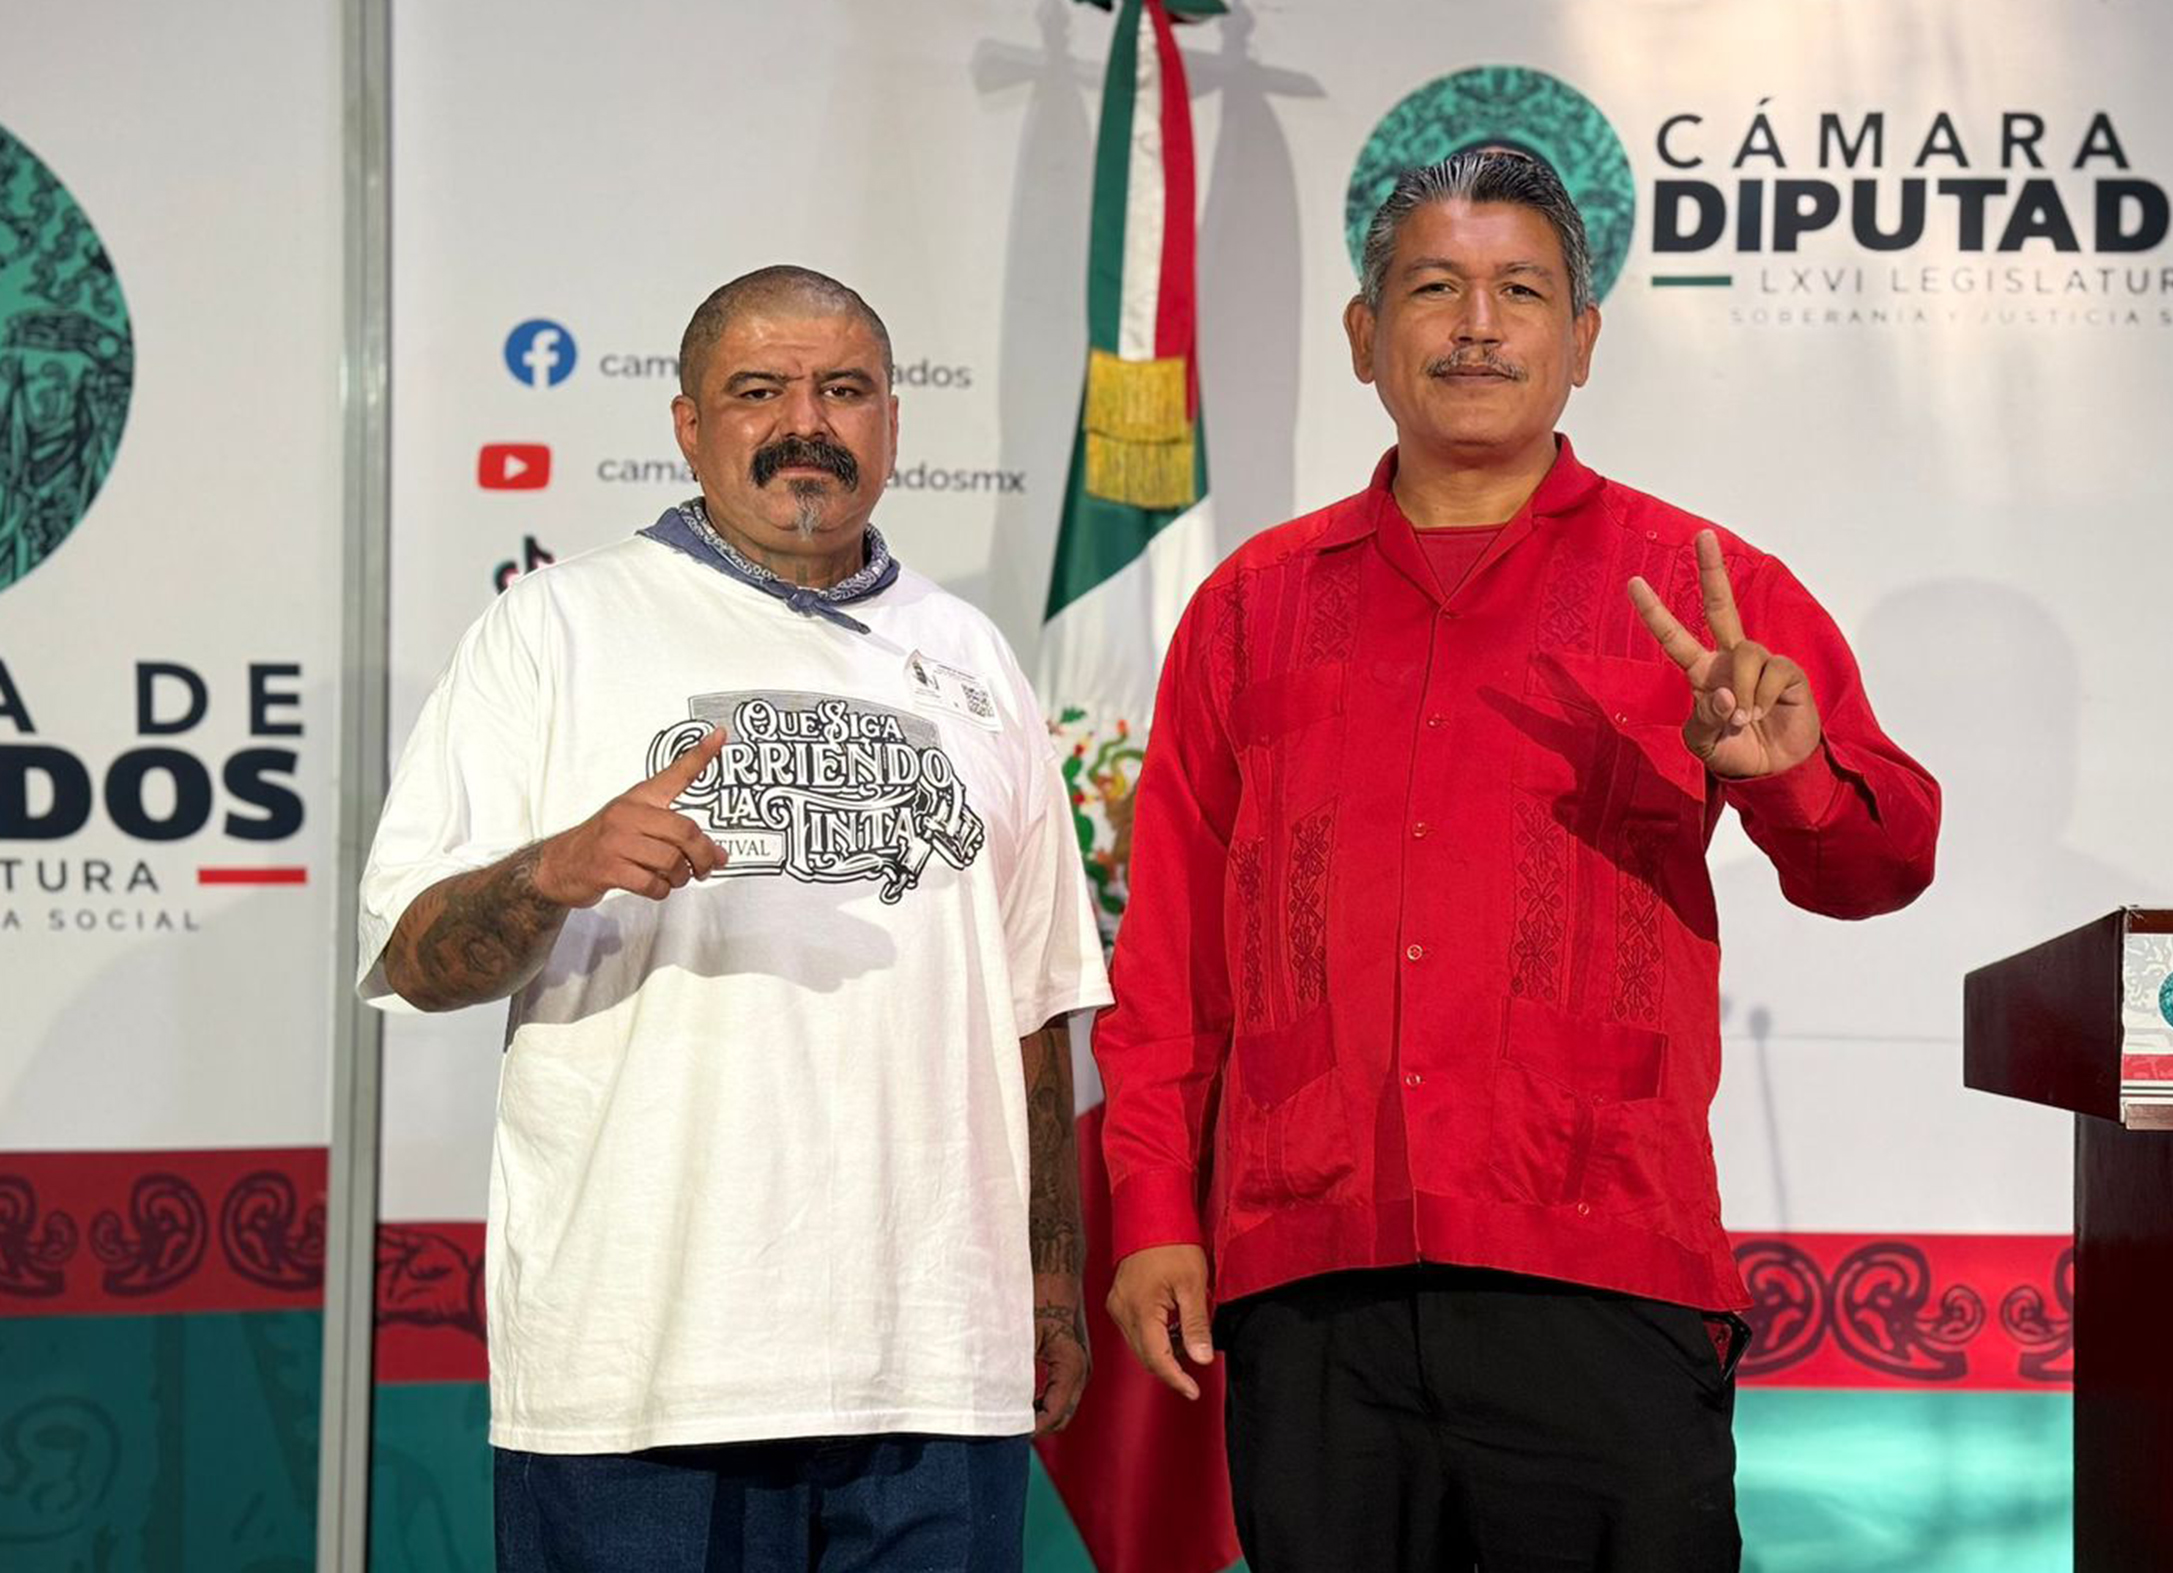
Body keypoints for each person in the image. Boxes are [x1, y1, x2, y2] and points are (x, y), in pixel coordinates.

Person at [1096, 151, 1941, 1571]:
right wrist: (1151, 1212)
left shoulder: (1702, 587)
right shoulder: (1250, 607)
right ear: (1364, 335)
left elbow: (1883, 863)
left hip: (1602, 1263)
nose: (1477, 326)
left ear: (1583, 339)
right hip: (1312, 1275)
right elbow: (1172, 953)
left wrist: (1787, 771)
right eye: (1435, 288)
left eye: (1521, 292)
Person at [357, 265, 1109, 1572]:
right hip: (642, 1371)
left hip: (933, 1368)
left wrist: (1048, 1282)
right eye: (759, 391)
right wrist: (553, 870)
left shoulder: (974, 655)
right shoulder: (554, 629)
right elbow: (415, 957)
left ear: (891, 421)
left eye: (843, 390)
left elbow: (1032, 1007)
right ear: (690, 425)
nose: (804, 422)